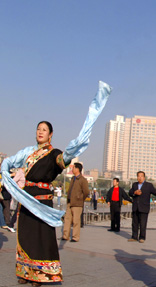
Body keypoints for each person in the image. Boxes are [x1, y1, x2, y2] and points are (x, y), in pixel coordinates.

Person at [0, 82, 111, 286]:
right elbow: (11, 160)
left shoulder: (54, 154)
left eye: (44, 130)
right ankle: (25, 272)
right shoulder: (27, 152)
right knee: (25, 237)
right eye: (38, 129)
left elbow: (64, 160)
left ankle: (41, 275)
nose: (40, 132)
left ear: (51, 135)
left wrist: (72, 151)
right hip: (26, 200)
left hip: (42, 202)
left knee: (42, 239)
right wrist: (6, 165)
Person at [128, 171, 156, 243]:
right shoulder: (134, 185)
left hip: (144, 208)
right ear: (137, 177)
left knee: (143, 223)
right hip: (135, 207)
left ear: (144, 177)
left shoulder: (148, 185)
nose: (140, 177)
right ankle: (134, 237)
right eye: (138, 176)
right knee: (134, 223)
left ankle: (142, 237)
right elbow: (130, 193)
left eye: (141, 176)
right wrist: (135, 192)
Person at [62, 163, 89, 242]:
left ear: (77, 169)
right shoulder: (73, 179)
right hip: (70, 202)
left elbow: (86, 192)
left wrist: (80, 198)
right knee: (67, 219)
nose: (72, 169)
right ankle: (65, 235)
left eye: (73, 168)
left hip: (77, 204)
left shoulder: (82, 180)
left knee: (76, 221)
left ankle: (75, 237)